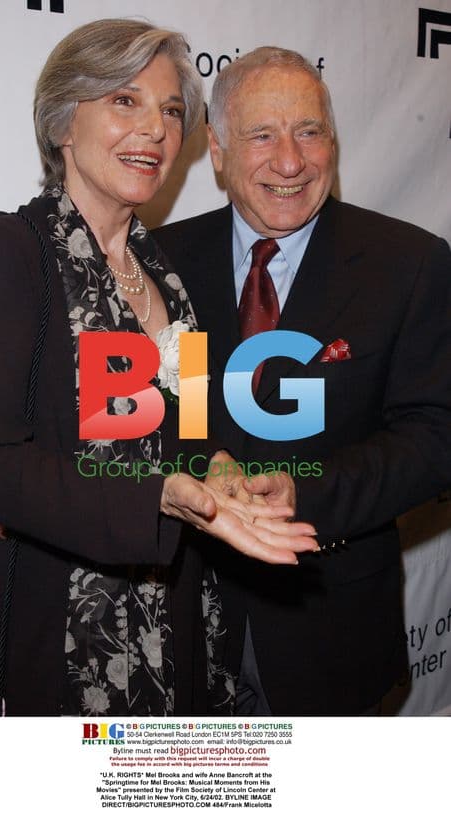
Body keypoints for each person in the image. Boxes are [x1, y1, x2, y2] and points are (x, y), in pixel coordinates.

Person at [0, 25, 318, 717]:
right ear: (64, 122)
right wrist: (156, 497)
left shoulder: (166, 276)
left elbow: (192, 433)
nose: (155, 128)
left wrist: (220, 472)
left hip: (177, 617)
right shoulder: (13, 252)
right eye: (125, 100)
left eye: (171, 110)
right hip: (60, 629)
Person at [153, 47, 451, 715]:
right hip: (180, 629)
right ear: (218, 150)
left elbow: (435, 439)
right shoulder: (162, 262)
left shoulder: (409, 264)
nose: (290, 161)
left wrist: (303, 493)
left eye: (309, 131)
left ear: (333, 142)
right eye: (262, 135)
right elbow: (154, 414)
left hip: (330, 632)